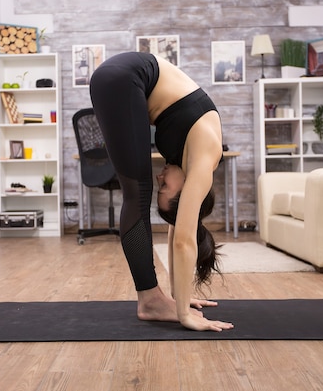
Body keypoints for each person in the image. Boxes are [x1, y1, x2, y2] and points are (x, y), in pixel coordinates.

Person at [89, 52, 234, 332]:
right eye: (165, 187)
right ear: (188, 191)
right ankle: (150, 301)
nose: (161, 178)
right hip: (123, 77)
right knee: (138, 194)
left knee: (137, 191)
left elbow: (178, 230)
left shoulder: (189, 159)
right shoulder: (204, 159)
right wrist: (185, 316)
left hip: (118, 76)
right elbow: (183, 240)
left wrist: (179, 296)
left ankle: (155, 299)